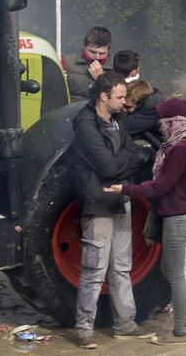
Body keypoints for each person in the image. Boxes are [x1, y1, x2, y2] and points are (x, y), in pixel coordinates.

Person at [107, 97, 186, 341]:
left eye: (164, 121)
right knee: (174, 270)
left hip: (178, 217)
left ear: (174, 121)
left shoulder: (179, 149)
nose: (160, 126)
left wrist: (126, 190)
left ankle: (180, 329)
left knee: (176, 274)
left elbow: (160, 187)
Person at [70, 72, 154, 348]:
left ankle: (125, 323)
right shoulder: (85, 124)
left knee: (122, 266)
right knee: (94, 269)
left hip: (121, 198)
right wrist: (125, 162)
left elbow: (132, 155)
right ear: (103, 96)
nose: (124, 102)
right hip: (98, 203)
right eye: (118, 97)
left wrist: (123, 163)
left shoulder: (118, 121)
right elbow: (107, 166)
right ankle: (83, 329)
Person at [66, 26, 112, 99]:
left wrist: (100, 79)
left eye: (102, 53)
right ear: (84, 46)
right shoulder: (66, 62)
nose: (97, 57)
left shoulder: (115, 67)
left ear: (108, 50)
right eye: (92, 52)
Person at [123, 78, 163, 145]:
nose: (123, 109)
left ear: (139, 102)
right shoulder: (149, 101)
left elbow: (125, 127)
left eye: (128, 107)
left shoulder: (152, 110)